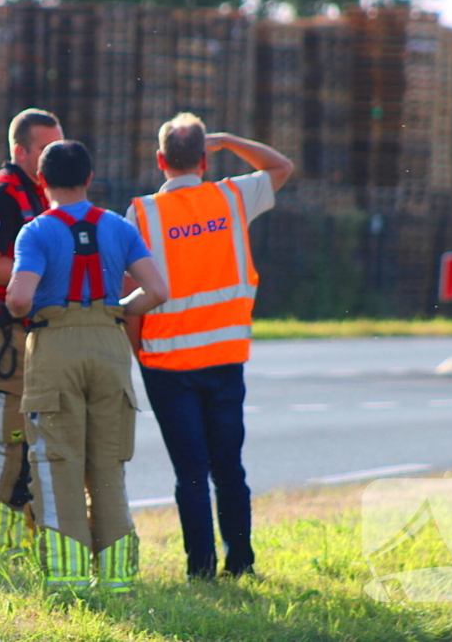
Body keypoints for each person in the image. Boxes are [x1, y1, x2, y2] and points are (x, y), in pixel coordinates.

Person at [125, 113, 294, 581]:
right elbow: (281, 167)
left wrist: (141, 355)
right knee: (229, 469)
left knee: (192, 475)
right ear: (204, 158)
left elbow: (129, 296)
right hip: (224, 358)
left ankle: (200, 570)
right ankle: (241, 562)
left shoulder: (141, 213)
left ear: (160, 161)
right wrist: (231, 141)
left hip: (166, 363)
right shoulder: (231, 196)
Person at [6, 140, 168, 592]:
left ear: (42, 182)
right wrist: (118, 309)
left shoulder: (35, 231)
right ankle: (118, 578)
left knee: (59, 462)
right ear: (89, 179)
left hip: (56, 345)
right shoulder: (118, 227)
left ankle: (68, 576)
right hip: (109, 343)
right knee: (108, 465)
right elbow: (157, 290)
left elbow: (19, 298)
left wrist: (32, 307)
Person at [0, 109, 64, 553]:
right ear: (20, 150)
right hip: (8, 338)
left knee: (35, 443)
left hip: (40, 337)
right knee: (5, 442)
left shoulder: (48, 193)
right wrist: (42, 273)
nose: (54, 156)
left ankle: (23, 540)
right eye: (46, 148)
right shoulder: (5, 194)